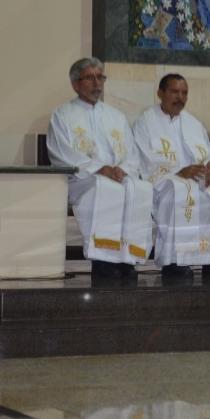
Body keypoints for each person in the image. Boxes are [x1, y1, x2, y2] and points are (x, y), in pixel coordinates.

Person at [46, 57, 153, 279]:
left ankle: (126, 257)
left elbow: (132, 154)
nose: (97, 83)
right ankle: (103, 260)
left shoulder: (116, 116)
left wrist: (122, 170)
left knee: (138, 188)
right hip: (83, 179)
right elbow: (63, 153)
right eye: (90, 78)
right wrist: (99, 169)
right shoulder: (63, 115)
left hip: (116, 175)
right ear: (76, 84)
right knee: (104, 188)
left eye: (100, 77)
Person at [134, 73, 210, 279]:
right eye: (174, 92)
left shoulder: (193, 124)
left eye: (184, 93)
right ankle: (176, 261)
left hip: (197, 180)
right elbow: (144, 161)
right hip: (165, 183)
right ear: (160, 93)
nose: (180, 97)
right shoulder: (145, 122)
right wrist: (177, 172)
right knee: (179, 195)